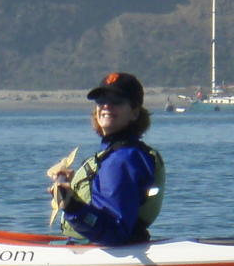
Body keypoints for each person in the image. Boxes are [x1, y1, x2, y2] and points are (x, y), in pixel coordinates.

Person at [48, 72, 166, 246]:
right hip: (91, 245)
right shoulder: (120, 153)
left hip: (107, 249)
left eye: (116, 101)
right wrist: (69, 186)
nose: (106, 106)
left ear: (134, 112)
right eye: (101, 100)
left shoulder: (122, 159)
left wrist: (71, 205)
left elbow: (115, 232)